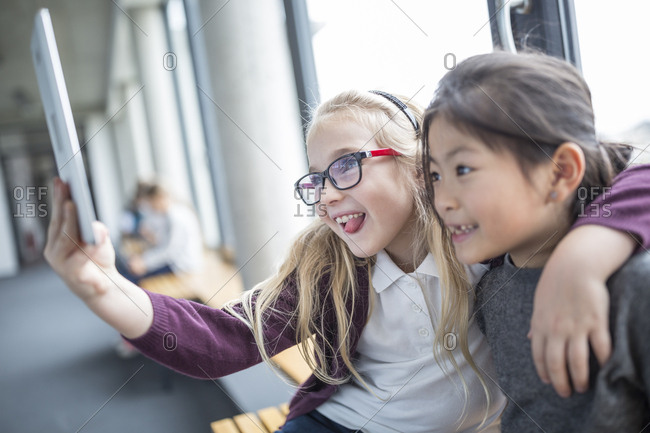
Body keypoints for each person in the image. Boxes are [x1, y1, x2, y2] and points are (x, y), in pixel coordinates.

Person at [45, 89, 643, 432]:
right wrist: (100, 288)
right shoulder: (329, 269)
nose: (328, 194)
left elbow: (627, 166)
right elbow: (219, 342)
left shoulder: (477, 238)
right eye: (316, 179)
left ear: (415, 162)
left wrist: (588, 253)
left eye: (346, 165)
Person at [423, 51, 650, 432]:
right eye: (434, 174)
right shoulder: (490, 289)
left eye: (463, 169)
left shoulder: (636, 288)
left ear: (560, 173)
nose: (442, 199)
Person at [117, 182, 204, 284]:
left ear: (160, 198)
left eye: (152, 202)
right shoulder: (173, 213)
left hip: (180, 266)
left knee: (130, 278)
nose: (152, 207)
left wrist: (144, 262)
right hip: (175, 262)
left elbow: (169, 252)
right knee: (129, 272)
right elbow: (165, 245)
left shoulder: (176, 218)